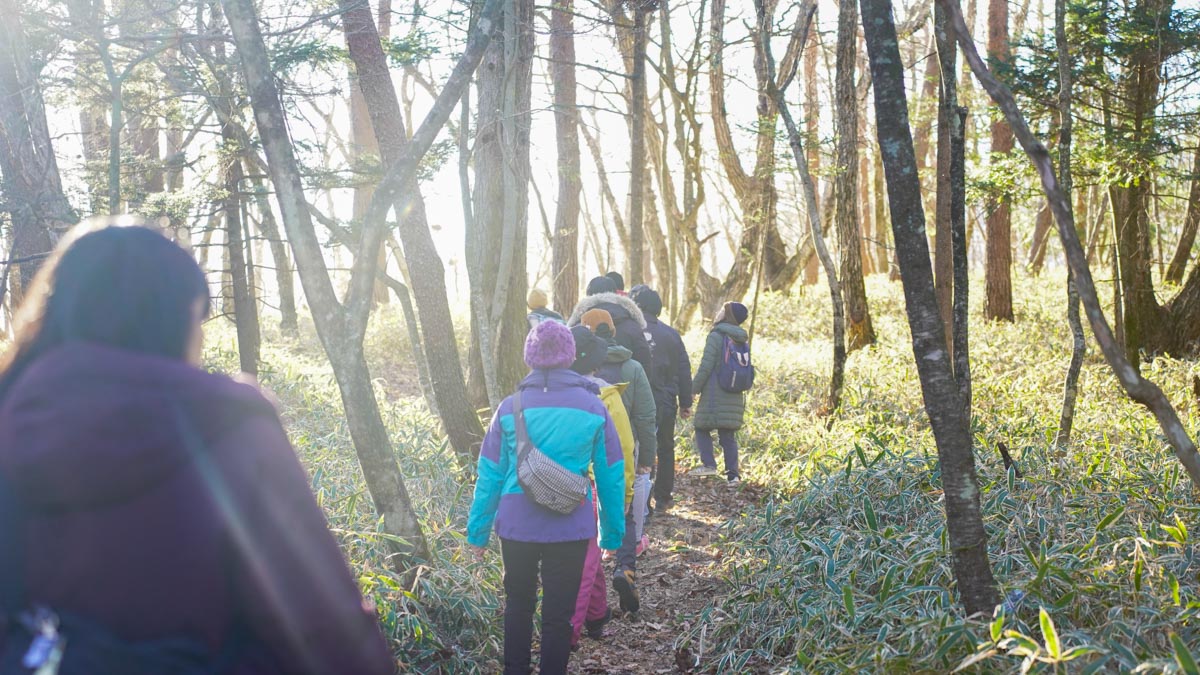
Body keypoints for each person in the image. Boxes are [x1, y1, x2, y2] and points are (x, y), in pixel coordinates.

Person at [0, 223, 394, 674]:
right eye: (198, 319)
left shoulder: (9, 415)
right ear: (174, 318)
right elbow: (325, 629)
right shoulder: (225, 424)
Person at [467, 321, 625, 675]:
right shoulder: (593, 407)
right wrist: (611, 535)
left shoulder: (510, 407)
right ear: (570, 356)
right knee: (559, 614)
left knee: (518, 605)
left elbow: (490, 473)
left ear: (530, 358)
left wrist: (477, 533)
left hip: (516, 525)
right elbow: (611, 474)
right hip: (570, 525)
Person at [580, 309, 656, 613]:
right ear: (613, 331)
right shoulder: (633, 367)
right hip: (623, 450)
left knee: (588, 518)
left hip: (582, 456)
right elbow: (646, 416)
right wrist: (646, 459)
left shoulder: (572, 372)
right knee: (624, 513)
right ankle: (624, 569)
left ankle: (590, 588)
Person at [566, 325, 633, 648]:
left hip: (547, 487)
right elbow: (623, 452)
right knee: (586, 561)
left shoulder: (546, 392)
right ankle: (571, 631)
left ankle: (596, 615)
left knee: (588, 557)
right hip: (584, 491)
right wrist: (626, 497)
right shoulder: (605, 397)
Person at [629, 285, 693, 511]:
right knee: (665, 447)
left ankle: (641, 501)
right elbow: (684, 369)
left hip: (635, 402)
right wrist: (686, 402)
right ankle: (663, 497)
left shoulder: (630, 332)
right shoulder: (671, 334)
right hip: (665, 400)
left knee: (638, 446)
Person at [690, 302, 751, 485]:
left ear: (727, 316)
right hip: (734, 392)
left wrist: (693, 390)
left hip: (714, 392)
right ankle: (733, 475)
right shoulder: (741, 338)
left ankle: (709, 464)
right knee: (727, 434)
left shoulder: (716, 336)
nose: (718, 312)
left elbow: (706, 365)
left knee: (701, 427)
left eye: (722, 310)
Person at [569, 276, 652, 372]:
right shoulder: (632, 326)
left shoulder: (579, 327)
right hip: (626, 383)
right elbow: (645, 362)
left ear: (589, 295)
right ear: (616, 293)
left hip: (585, 385)